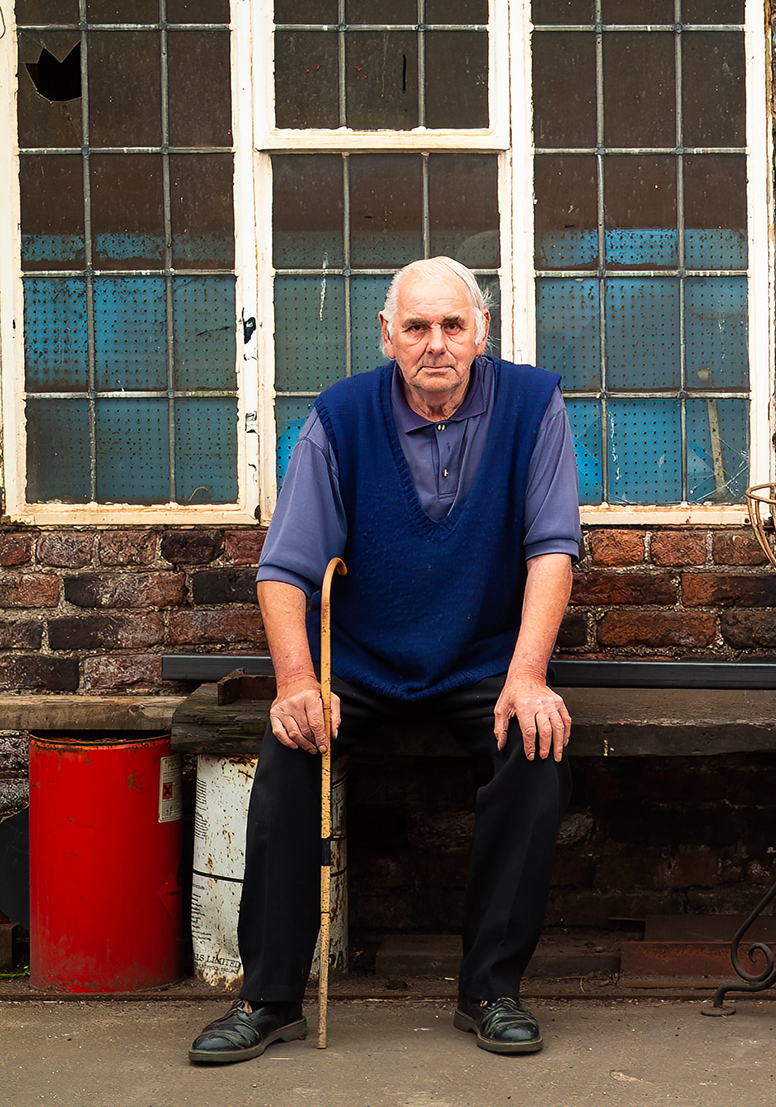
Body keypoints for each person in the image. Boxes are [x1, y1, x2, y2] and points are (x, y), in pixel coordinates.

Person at [189, 257, 580, 1063]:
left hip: (482, 658)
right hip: (358, 659)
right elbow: (285, 569)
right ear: (387, 335)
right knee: (288, 749)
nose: (436, 343)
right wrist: (297, 683)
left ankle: (491, 989)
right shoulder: (340, 416)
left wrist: (528, 674)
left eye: (452, 325)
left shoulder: (534, 403)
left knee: (535, 750)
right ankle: (268, 996)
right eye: (417, 326)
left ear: (481, 330)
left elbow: (552, 547)